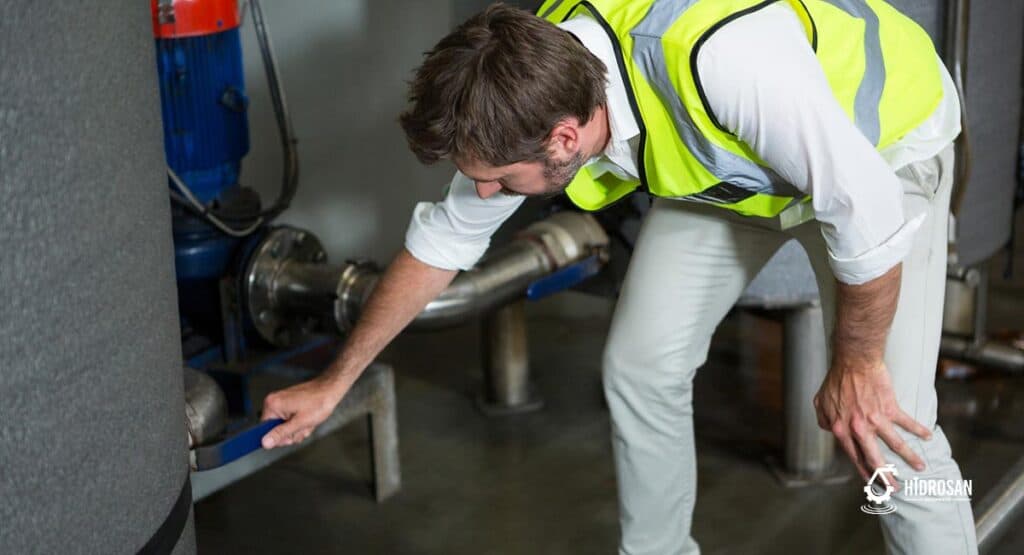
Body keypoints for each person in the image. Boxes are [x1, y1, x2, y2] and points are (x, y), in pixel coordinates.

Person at [260, 1, 978, 553]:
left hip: (884, 151)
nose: (484, 192)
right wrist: (335, 380)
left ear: (564, 138)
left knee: (890, 430)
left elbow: (866, 214)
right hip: (744, 173)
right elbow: (441, 243)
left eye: (497, 181)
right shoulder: (527, 89)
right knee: (641, 364)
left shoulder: (725, 62)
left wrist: (856, 364)